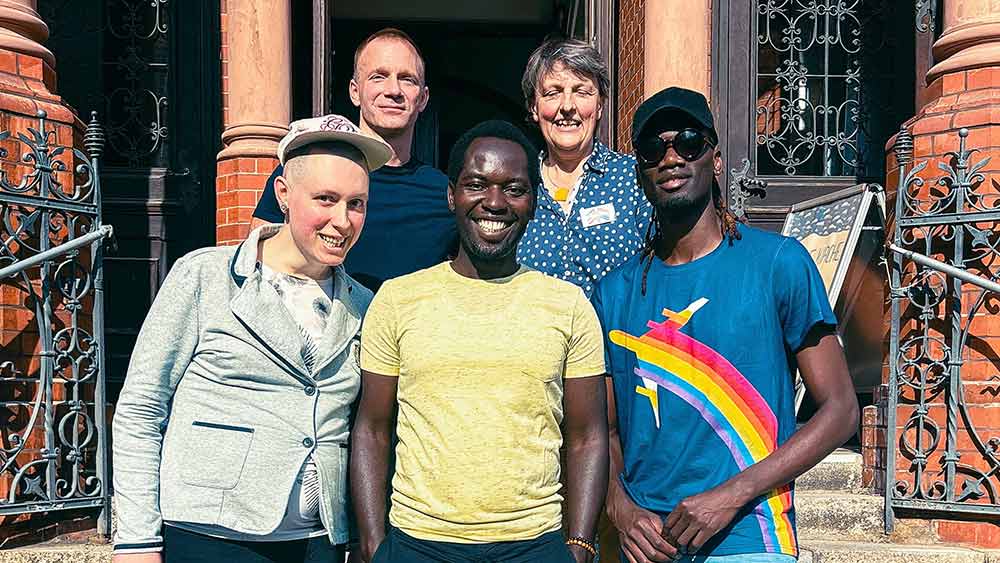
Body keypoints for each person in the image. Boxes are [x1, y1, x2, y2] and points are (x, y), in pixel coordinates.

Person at [592, 88, 860, 563]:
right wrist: (621, 508)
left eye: (689, 142)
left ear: (715, 159)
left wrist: (731, 495)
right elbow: (604, 431)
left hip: (750, 538)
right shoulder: (615, 292)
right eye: (654, 149)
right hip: (644, 545)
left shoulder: (779, 263)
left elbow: (840, 411)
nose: (672, 157)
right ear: (640, 171)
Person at [111, 115, 393, 563]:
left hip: (318, 541)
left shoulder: (365, 304)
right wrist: (137, 540)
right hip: (210, 536)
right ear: (283, 194)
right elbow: (141, 409)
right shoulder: (205, 276)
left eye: (356, 203)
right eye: (326, 199)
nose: (342, 221)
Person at [351, 121, 609, 563]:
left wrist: (580, 546)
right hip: (418, 543)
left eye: (513, 188)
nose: (494, 202)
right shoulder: (397, 299)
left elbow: (587, 436)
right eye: (477, 185)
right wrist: (376, 547)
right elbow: (371, 429)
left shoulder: (568, 306)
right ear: (452, 196)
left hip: (534, 544)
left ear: (533, 202)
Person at [252, 28, 454, 292]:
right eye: (378, 77)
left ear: (423, 98)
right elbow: (255, 262)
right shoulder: (310, 169)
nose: (393, 90)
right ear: (355, 92)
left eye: (407, 79)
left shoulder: (444, 193)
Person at [517, 38, 652, 297]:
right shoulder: (519, 184)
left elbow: (663, 265)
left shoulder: (634, 178)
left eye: (582, 92)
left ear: (600, 105)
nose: (567, 107)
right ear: (534, 107)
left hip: (613, 336)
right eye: (552, 93)